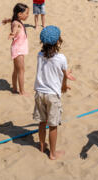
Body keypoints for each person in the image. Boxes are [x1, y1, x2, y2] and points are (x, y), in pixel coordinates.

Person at [33, 25, 76, 160]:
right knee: (53, 125)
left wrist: (65, 75)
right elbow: (63, 75)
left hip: (39, 93)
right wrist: (64, 84)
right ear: (58, 41)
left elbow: (53, 69)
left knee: (42, 122)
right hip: (52, 95)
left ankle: (41, 146)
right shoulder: (61, 58)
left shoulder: (39, 55)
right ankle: (52, 153)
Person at [3, 3, 30, 95]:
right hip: (18, 50)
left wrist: (7, 20)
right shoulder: (16, 23)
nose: (28, 15)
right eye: (26, 13)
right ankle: (22, 91)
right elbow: (14, 28)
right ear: (20, 14)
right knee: (21, 71)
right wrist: (13, 34)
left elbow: (12, 21)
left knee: (16, 70)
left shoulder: (16, 20)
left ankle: (14, 88)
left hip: (18, 48)